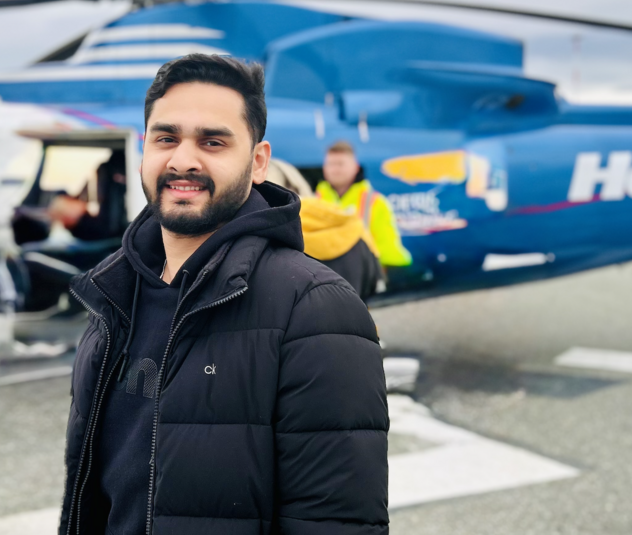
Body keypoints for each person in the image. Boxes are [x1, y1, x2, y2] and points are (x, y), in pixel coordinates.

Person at [60, 54, 389, 534]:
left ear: (258, 163)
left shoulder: (316, 308)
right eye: (166, 138)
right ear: (144, 150)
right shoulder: (112, 296)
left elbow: (336, 523)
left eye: (212, 142)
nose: (182, 160)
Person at [316, 140, 412, 269]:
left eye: (340, 164)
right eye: (331, 164)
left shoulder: (376, 203)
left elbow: (388, 249)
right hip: (326, 277)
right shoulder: (313, 202)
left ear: (355, 167)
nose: (335, 169)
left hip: (366, 276)